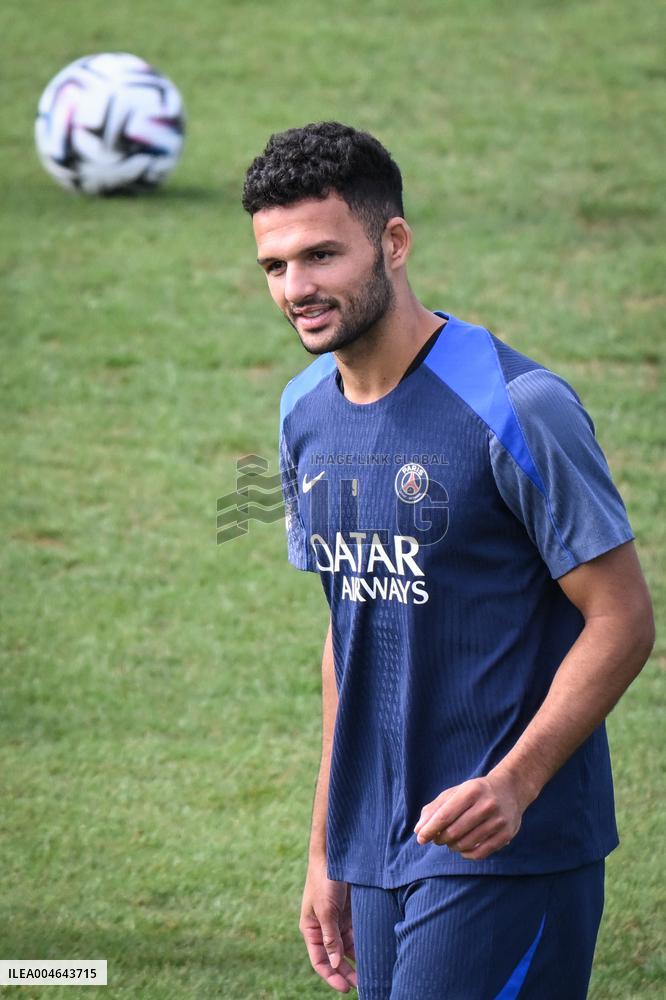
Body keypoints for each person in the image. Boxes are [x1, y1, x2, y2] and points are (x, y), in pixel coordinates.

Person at [241, 122, 655, 999]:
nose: (297, 288)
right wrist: (328, 847)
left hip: (511, 845)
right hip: (380, 844)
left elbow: (622, 618)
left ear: (394, 242)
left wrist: (516, 782)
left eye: (321, 255)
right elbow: (346, 630)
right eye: (275, 266)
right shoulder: (303, 410)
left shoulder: (517, 405)